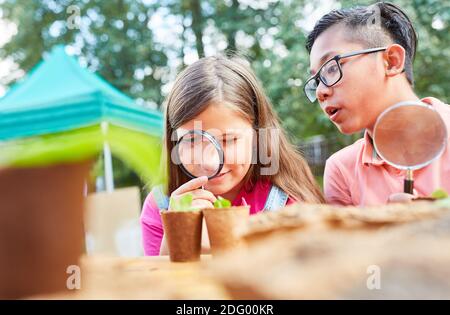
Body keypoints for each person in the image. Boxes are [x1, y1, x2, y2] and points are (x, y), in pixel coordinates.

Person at [141, 55, 324, 255]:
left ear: (257, 135)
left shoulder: (290, 203)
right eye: (192, 141)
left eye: (228, 140)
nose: (210, 163)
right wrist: (177, 242)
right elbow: (161, 284)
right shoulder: (159, 206)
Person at [304, 1, 450, 206]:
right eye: (317, 80)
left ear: (391, 61)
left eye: (331, 68)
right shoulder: (341, 169)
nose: (320, 91)